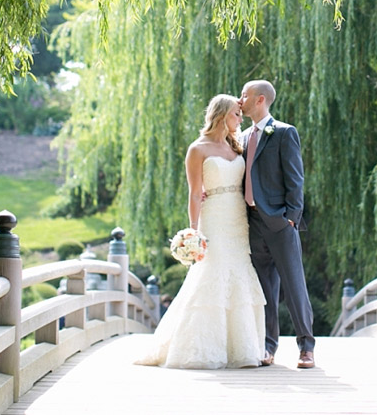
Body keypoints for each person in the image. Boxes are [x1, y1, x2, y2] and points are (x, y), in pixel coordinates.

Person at [135, 94, 266, 369]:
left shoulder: (236, 146)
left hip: (238, 219)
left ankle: (241, 349)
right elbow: (195, 194)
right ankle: (201, 348)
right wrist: (193, 232)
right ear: (221, 115)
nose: (240, 119)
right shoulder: (197, 149)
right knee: (211, 273)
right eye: (236, 114)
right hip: (214, 217)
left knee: (239, 273)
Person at [239, 79, 316, 369]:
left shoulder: (284, 133)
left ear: (260, 100)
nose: (239, 99)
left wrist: (291, 218)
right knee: (264, 291)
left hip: (280, 223)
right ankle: (268, 347)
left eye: (244, 95)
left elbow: (295, 179)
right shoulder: (243, 136)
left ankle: (306, 347)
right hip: (252, 223)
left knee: (294, 286)